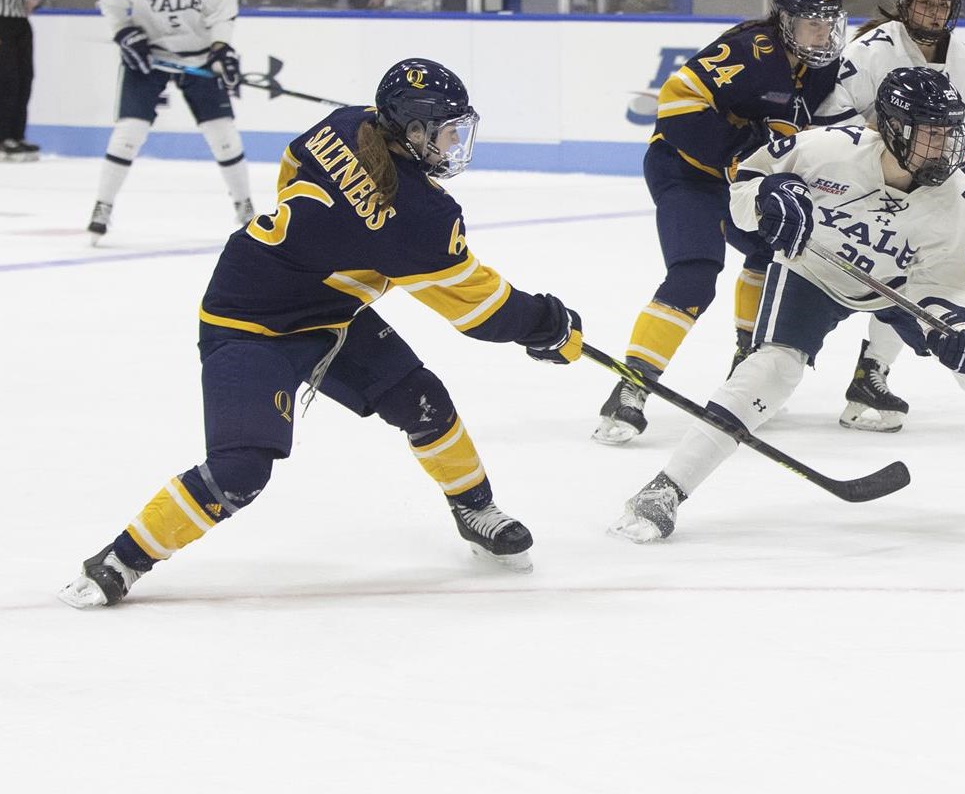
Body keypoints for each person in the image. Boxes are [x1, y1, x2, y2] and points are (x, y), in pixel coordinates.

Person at [57, 59, 587, 608]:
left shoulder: (345, 123)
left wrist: (336, 261)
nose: (455, 142)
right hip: (248, 324)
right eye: (445, 130)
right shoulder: (420, 216)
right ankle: (122, 558)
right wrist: (549, 325)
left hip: (319, 310)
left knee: (424, 402)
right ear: (410, 131)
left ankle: (474, 509)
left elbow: (290, 172)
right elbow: (479, 311)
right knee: (240, 470)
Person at [609, 67, 965, 543]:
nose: (943, 145)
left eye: (949, 133)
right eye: (930, 133)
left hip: (899, 283)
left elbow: (953, 286)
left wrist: (956, 327)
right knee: (772, 371)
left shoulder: (956, 200)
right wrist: (769, 195)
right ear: (893, 129)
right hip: (813, 270)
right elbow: (742, 186)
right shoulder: (825, 150)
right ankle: (665, 488)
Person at [592, 0, 851, 446]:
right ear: (785, 20)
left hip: (742, 180)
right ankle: (632, 386)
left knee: (771, 252)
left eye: (830, 22)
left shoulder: (821, 68)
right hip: (687, 171)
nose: (824, 34)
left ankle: (745, 361)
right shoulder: (751, 50)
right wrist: (736, 153)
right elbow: (675, 106)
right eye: (813, 23)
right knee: (694, 273)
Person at [813, 0, 965, 433]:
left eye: (943, 4)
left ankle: (871, 374)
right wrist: (888, 154)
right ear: (904, 3)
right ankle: (764, 356)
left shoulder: (961, 59)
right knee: (821, 279)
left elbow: (948, 130)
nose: (935, 13)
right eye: (925, 2)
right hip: (855, 188)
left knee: (914, 275)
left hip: (912, 190)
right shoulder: (871, 50)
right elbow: (829, 118)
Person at [90, 0, 254, 242]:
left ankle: (244, 206)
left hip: (198, 60)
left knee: (223, 135)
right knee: (128, 133)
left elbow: (223, 14)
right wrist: (124, 34)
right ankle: (102, 206)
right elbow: (111, 5)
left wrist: (221, 49)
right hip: (149, 59)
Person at [1, 0, 53, 161]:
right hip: (1, 19)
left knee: (24, 78)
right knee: (7, 79)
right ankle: (3, 137)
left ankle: (17, 134)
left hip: (21, 20)